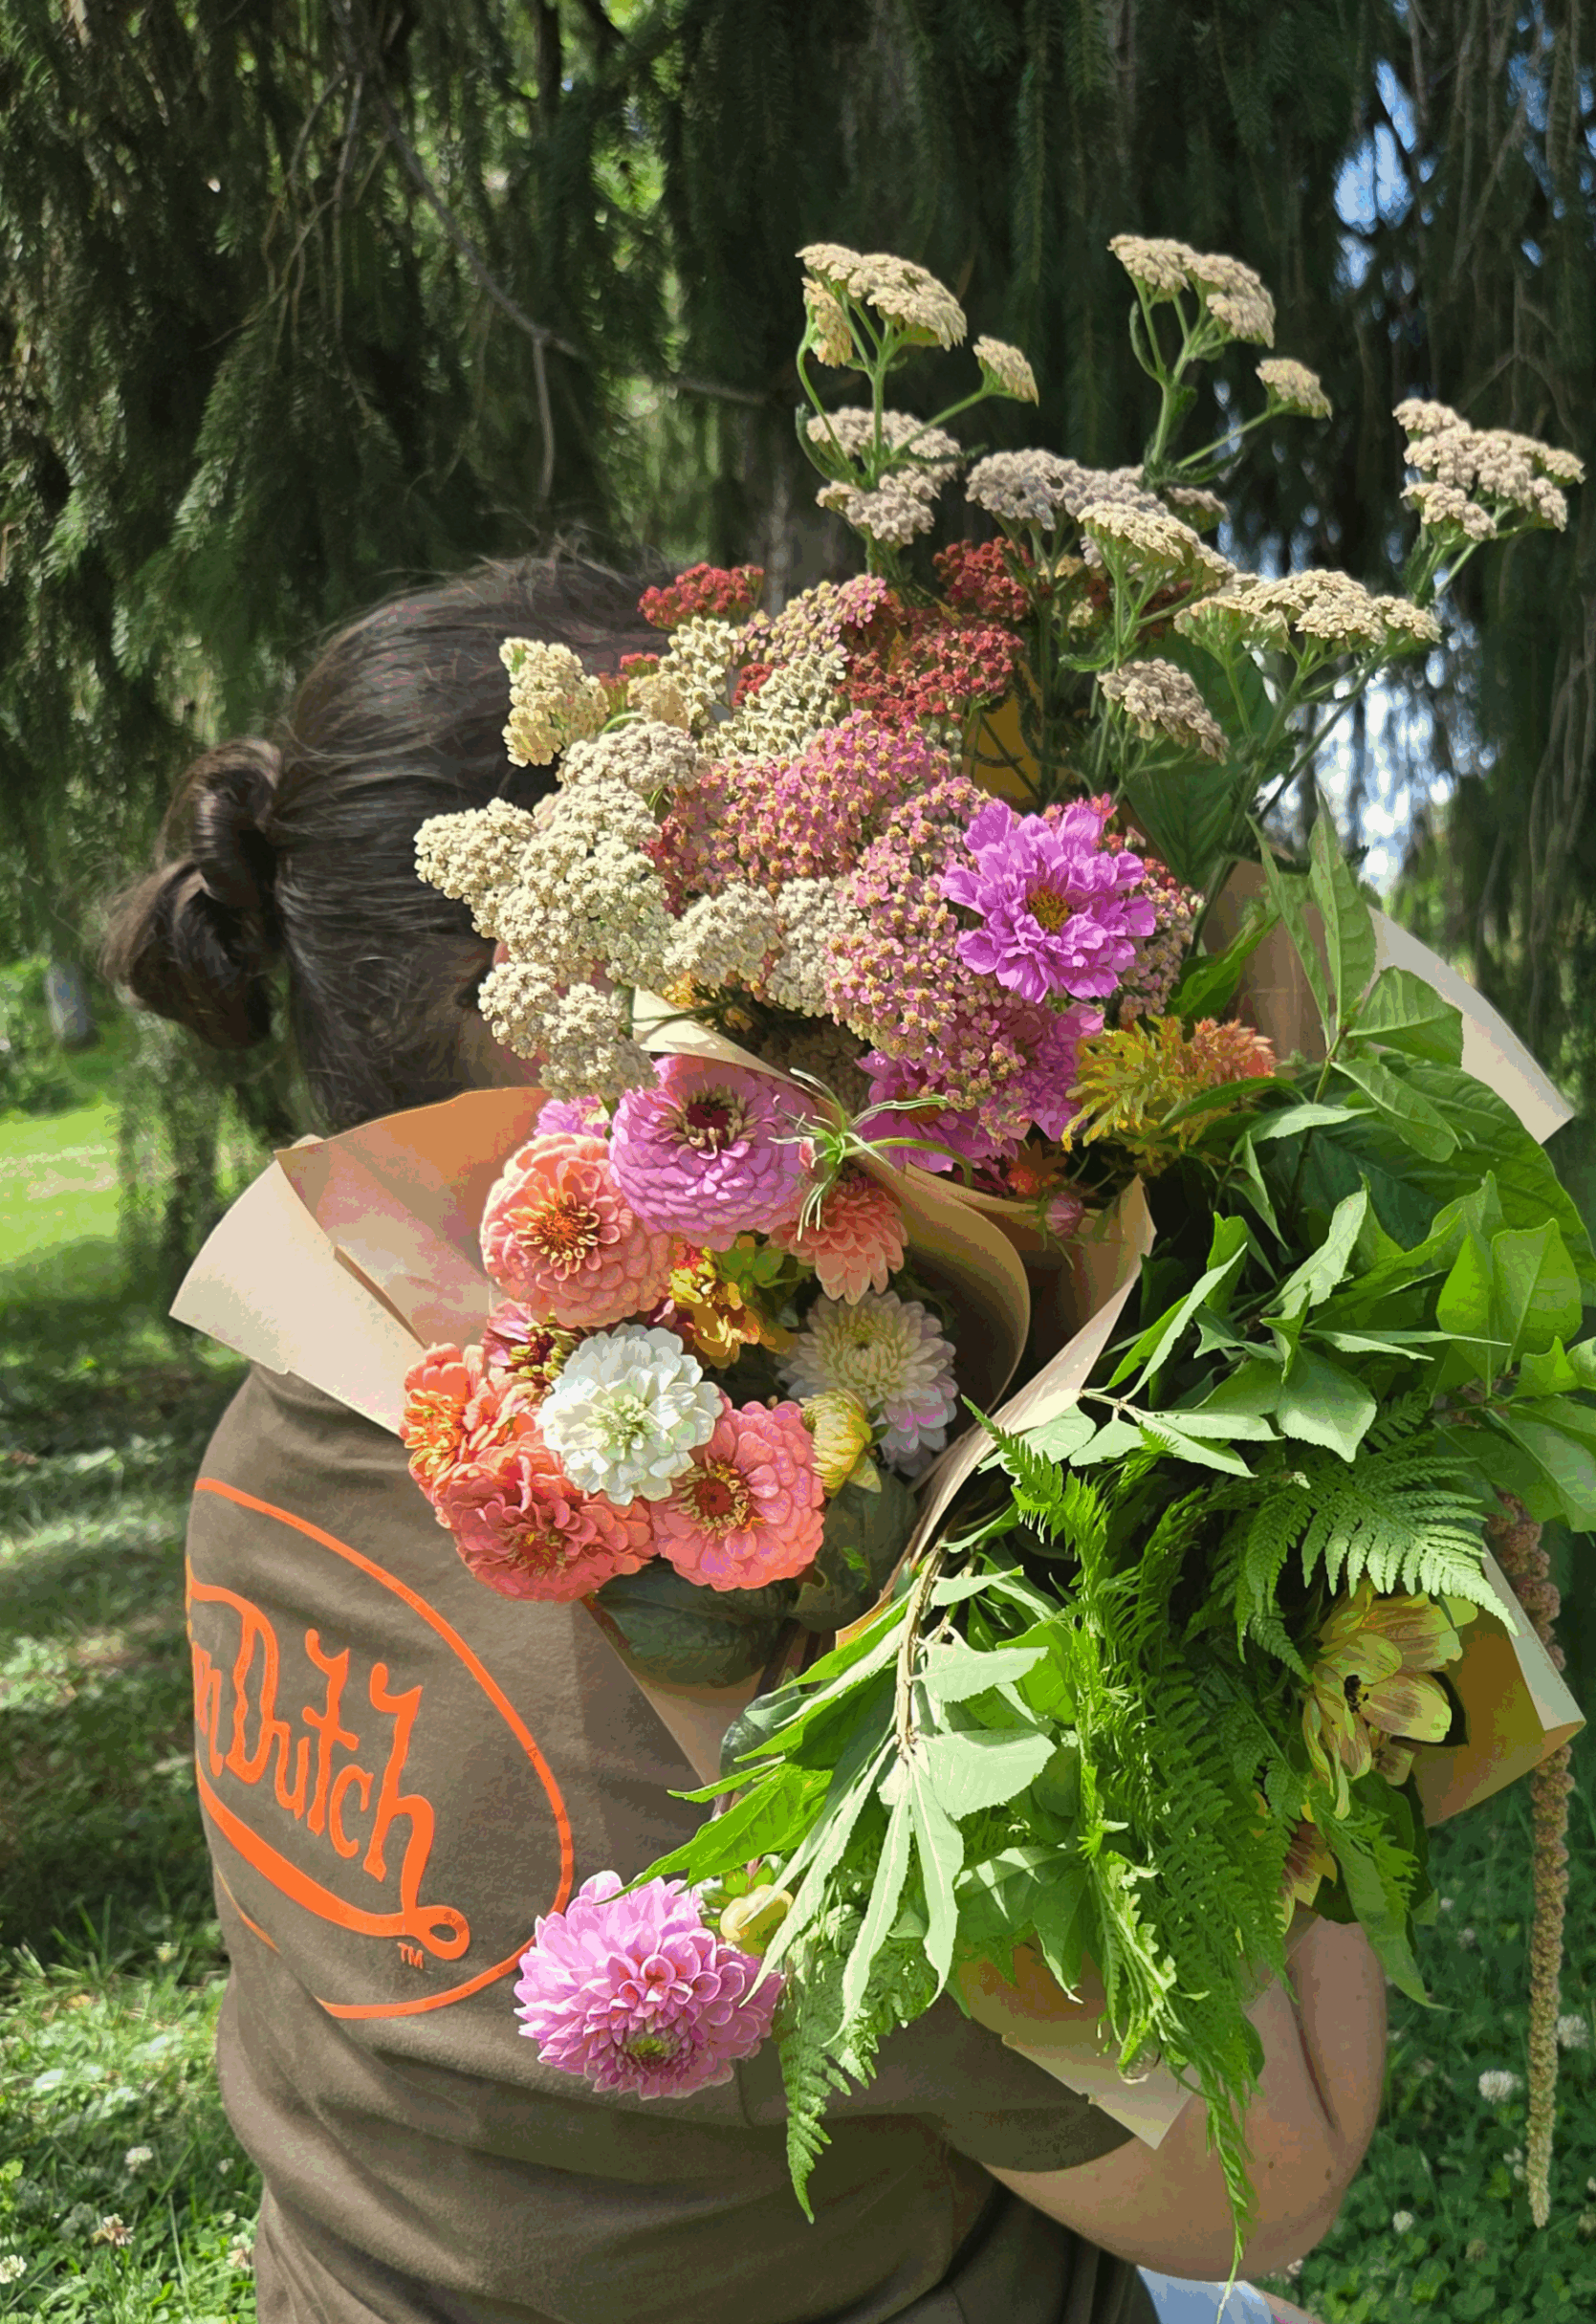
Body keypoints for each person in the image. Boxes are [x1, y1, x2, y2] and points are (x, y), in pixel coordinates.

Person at [107, 555, 1387, 2324]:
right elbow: (1274, 2185)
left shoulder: (277, 1412)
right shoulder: (793, 1617)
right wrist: (1294, 1527)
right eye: (776, 906)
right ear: (583, 984)